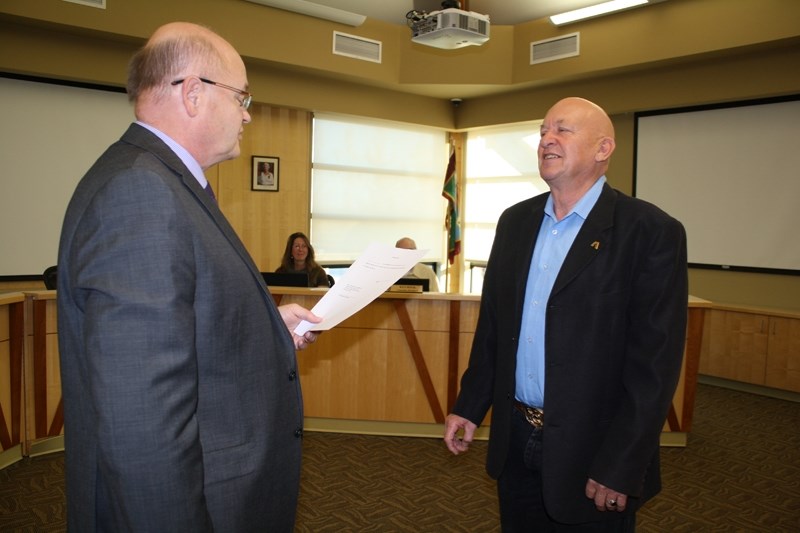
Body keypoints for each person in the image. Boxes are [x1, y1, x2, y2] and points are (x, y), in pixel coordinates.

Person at [57, 22, 321, 532]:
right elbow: (142, 418)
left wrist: (269, 323)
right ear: (194, 94)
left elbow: (185, 321)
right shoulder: (142, 191)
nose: (247, 114)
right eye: (242, 96)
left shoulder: (158, 180)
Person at [443, 97, 688, 531]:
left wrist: (622, 463)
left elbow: (655, 365)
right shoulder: (515, 223)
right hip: (516, 437)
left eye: (562, 130)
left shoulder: (650, 232)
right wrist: (469, 404)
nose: (546, 140)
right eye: (542, 131)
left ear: (603, 149)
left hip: (596, 450)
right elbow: (495, 330)